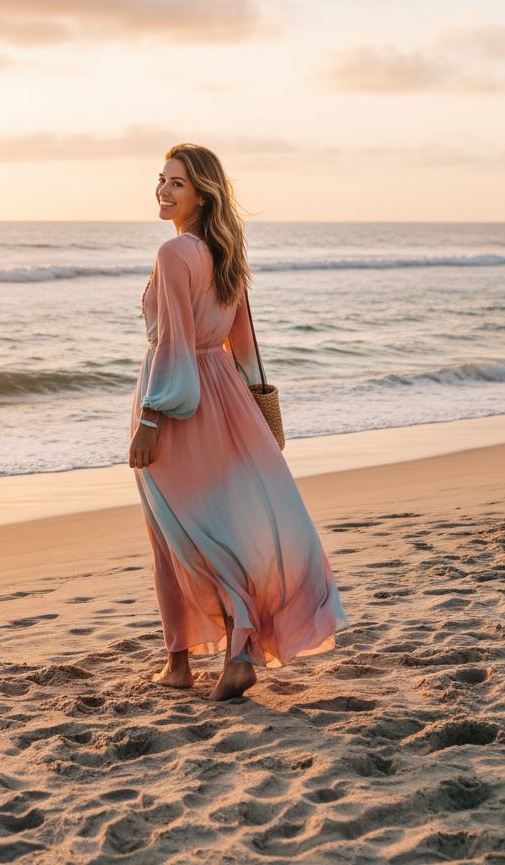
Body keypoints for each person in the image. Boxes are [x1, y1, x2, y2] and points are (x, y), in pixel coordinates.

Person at [128, 142, 350, 701]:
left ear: (203, 192)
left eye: (176, 182)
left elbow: (173, 343)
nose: (163, 189)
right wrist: (254, 410)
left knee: (173, 535)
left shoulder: (174, 253)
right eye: (161, 179)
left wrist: (153, 417)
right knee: (219, 532)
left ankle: (179, 664)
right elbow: (244, 346)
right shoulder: (227, 255)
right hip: (225, 399)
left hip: (177, 405)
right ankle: (237, 653)